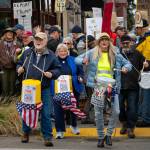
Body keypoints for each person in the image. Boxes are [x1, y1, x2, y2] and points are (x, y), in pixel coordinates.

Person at [75, 32, 132, 147]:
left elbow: (128, 64)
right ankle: (101, 137)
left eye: (106, 39)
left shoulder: (115, 53)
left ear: (109, 42)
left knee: (116, 111)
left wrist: (126, 68)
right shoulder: (92, 52)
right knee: (98, 112)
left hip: (112, 86)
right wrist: (83, 61)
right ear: (99, 42)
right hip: (98, 86)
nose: (104, 42)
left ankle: (109, 135)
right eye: (102, 40)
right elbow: (77, 59)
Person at [17, 32, 61, 147]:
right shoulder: (27, 53)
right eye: (36, 39)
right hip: (29, 88)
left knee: (46, 113)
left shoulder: (51, 55)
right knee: (27, 111)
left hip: (44, 88)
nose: (38, 41)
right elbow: (19, 63)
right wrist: (19, 68)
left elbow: (57, 69)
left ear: (46, 41)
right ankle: (25, 133)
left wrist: (52, 73)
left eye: (41, 39)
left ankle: (47, 137)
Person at [119, 35, 148, 138]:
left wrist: (147, 65)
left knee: (133, 108)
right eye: (124, 43)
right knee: (120, 108)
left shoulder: (137, 54)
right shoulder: (117, 54)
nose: (126, 45)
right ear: (121, 44)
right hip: (119, 85)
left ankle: (131, 128)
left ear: (132, 43)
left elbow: (145, 65)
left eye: (128, 42)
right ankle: (124, 124)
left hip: (133, 85)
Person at [53, 43, 84, 139]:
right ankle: (59, 131)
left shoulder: (74, 59)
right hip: (58, 89)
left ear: (67, 51)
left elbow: (81, 72)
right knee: (58, 110)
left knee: (73, 107)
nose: (62, 52)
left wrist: (80, 77)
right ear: (57, 52)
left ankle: (74, 125)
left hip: (73, 87)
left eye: (64, 51)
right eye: (60, 51)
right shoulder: (53, 61)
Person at [135, 19, 150, 127]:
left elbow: (145, 55)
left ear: (143, 28)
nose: (136, 29)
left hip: (147, 71)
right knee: (142, 95)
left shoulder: (147, 39)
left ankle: (145, 118)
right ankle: (141, 116)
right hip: (143, 71)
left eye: (137, 27)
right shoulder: (143, 39)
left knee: (145, 96)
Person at [0, 27, 17, 102]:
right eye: (8, 32)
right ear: (5, 34)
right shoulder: (0, 43)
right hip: (3, 67)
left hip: (13, 67)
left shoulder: (17, 44)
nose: (10, 34)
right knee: (4, 82)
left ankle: (11, 96)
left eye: (11, 33)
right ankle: (5, 96)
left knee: (12, 82)